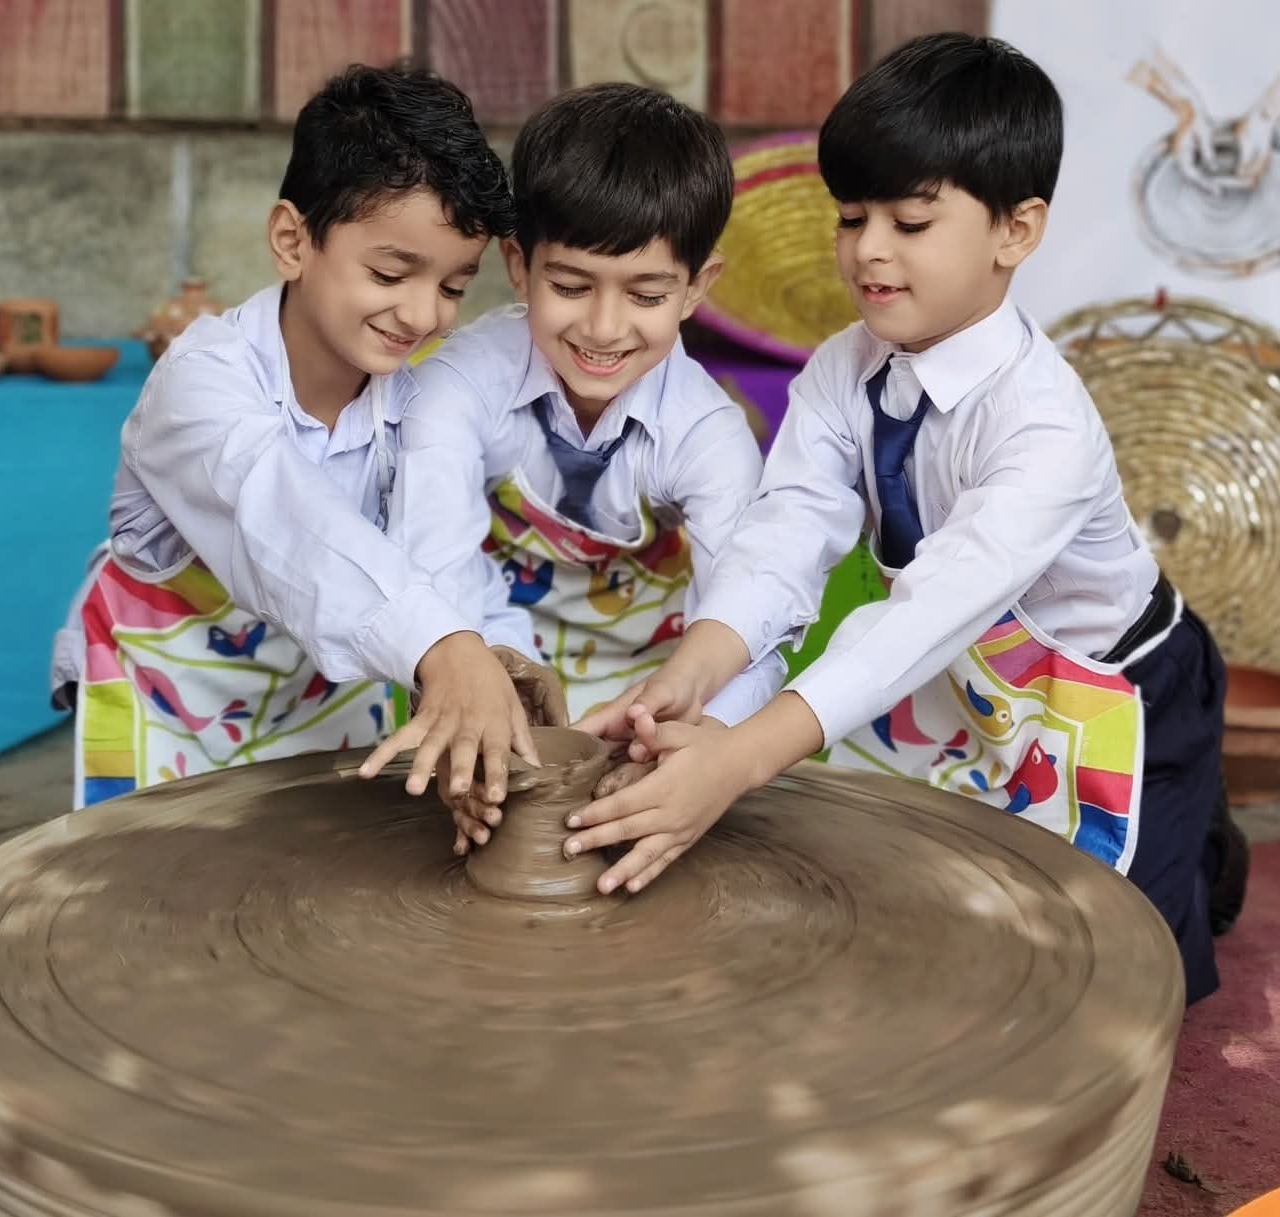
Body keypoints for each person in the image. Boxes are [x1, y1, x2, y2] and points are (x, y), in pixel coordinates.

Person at [570, 33, 1245, 1005]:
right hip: (966, 673)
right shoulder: (843, 367)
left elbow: (926, 611)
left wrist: (740, 758)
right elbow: (788, 530)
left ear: (1016, 230)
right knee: (906, 898)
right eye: (851, 217)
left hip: (1113, 684)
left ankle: (1200, 840)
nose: (869, 250)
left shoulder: (1044, 427)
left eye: (911, 221)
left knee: (1125, 966)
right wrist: (695, 673)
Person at [61, 63, 560, 819]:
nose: (423, 314)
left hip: (327, 698)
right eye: (390, 273)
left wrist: (495, 656)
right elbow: (284, 519)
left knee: (325, 871)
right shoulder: (201, 384)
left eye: (454, 287)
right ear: (293, 241)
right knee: (154, 877)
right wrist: (442, 648)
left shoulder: (420, 403)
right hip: (168, 700)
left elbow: (446, 553)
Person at [364, 83, 785, 844]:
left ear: (696, 288)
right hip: (491, 661)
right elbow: (431, 567)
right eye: (569, 286)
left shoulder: (708, 437)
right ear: (518, 266)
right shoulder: (454, 388)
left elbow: (749, 619)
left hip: (651, 691)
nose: (602, 327)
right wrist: (494, 708)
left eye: (646, 295)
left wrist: (693, 746)